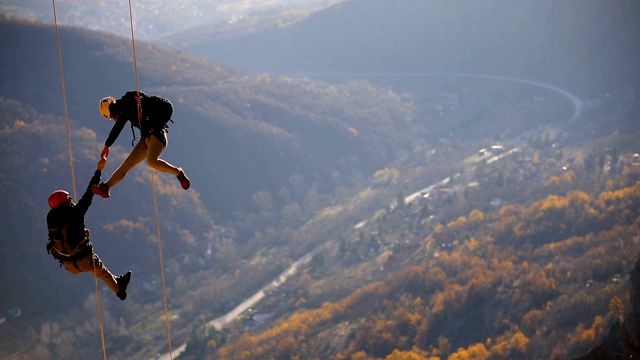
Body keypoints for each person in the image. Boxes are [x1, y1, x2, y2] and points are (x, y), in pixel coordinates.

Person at [47, 157, 132, 300]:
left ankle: (118, 282)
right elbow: (89, 194)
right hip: (83, 260)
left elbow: (65, 234)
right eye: (69, 199)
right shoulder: (75, 212)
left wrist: (82, 233)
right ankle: (120, 291)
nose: (71, 200)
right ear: (65, 201)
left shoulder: (51, 219)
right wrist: (99, 170)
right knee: (99, 269)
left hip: (68, 265)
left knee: (99, 269)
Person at [92, 91, 190, 198]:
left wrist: (144, 111)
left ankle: (178, 173)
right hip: (145, 139)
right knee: (126, 165)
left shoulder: (129, 100)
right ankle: (106, 187)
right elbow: (117, 128)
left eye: (112, 116)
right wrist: (107, 146)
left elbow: (152, 102)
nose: (114, 119)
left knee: (152, 162)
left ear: (113, 109)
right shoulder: (125, 110)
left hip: (157, 135)